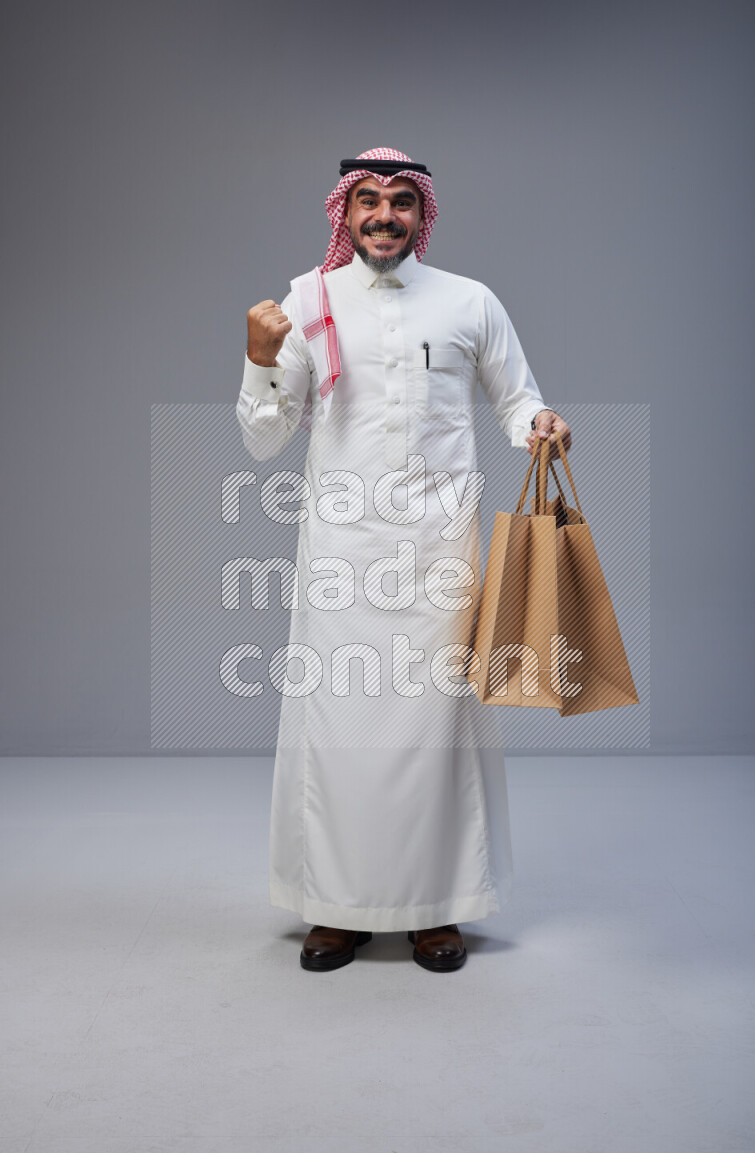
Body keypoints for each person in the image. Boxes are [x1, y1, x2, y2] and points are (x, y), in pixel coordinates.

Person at [236, 147, 571, 973]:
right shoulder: (307, 301)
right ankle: (336, 909)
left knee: (434, 733)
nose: (384, 216)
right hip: (342, 553)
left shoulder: (469, 301)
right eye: (369, 202)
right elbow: (263, 438)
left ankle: (436, 908)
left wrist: (542, 424)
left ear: (422, 214)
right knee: (340, 727)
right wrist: (256, 357)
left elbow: (516, 397)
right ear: (344, 214)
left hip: (439, 552)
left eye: (401, 203)